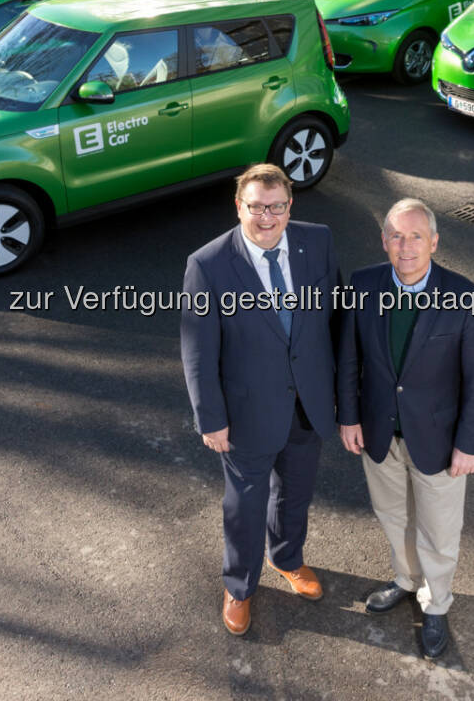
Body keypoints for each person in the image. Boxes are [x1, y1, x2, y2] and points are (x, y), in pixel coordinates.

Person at [180, 163, 341, 636]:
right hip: (245, 413)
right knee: (245, 506)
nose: (267, 217)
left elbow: (337, 317)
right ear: (239, 206)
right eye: (257, 207)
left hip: (308, 403)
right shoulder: (207, 265)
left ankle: (287, 558)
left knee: (295, 493)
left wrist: (341, 394)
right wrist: (210, 419)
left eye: (276, 207)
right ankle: (239, 586)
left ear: (290, 206)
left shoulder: (319, 241)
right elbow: (197, 350)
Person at [336, 198, 474, 658]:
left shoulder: (464, 297)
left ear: (434, 243)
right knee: (394, 516)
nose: (406, 247)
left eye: (416, 237)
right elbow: (349, 358)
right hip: (378, 435)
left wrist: (468, 444)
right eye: (396, 236)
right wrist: (348, 415)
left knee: (440, 529)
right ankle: (406, 580)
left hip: (440, 442)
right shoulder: (363, 285)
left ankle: (437, 603)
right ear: (384, 240)